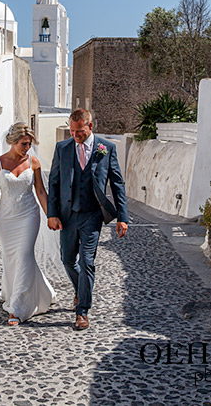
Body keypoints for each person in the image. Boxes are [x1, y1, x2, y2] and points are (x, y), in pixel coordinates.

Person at [46, 109, 129, 331]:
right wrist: (51, 213)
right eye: (72, 131)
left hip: (93, 214)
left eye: (79, 131)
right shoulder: (62, 148)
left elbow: (117, 184)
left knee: (87, 262)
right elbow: (53, 183)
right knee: (67, 260)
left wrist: (123, 217)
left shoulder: (106, 148)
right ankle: (80, 288)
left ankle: (82, 311)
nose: (75, 135)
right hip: (68, 215)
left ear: (90, 127)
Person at [0, 122, 57, 325]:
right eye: (24, 144)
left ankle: (18, 308)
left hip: (28, 215)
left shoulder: (34, 162)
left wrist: (50, 215)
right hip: (6, 218)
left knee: (24, 255)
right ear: (13, 143)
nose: (27, 148)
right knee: (11, 257)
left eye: (29, 144)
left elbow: (40, 191)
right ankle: (38, 292)